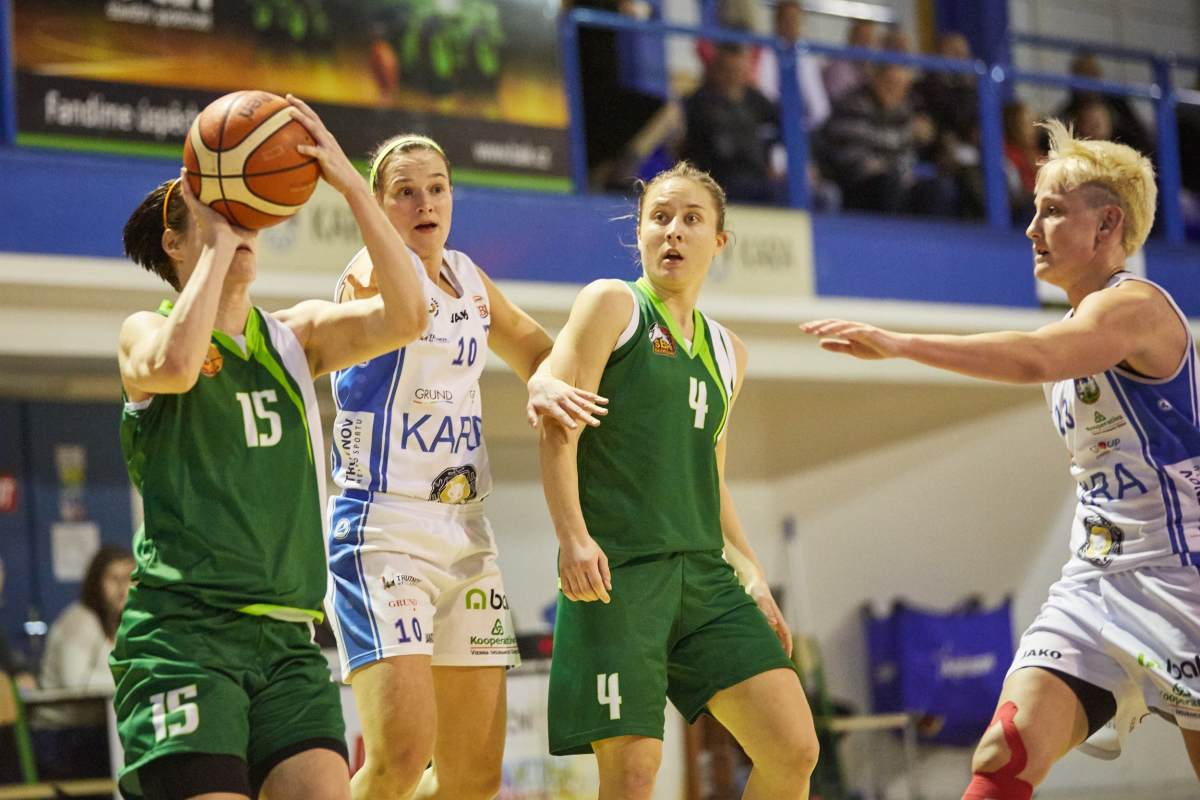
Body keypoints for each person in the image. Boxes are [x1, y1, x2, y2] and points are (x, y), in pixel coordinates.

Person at [801, 120, 1200, 796]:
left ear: (1108, 224)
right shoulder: (1074, 328)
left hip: (1181, 578)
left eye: (1053, 211)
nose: (1031, 229)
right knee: (1003, 752)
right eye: (1034, 210)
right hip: (1098, 582)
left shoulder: (1134, 307)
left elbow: (1035, 357)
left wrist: (901, 344)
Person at [112, 95, 432, 800]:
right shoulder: (145, 331)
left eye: (244, 218)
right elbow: (175, 366)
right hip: (184, 638)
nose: (238, 228)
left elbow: (410, 315)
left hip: (289, 641)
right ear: (176, 244)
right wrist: (218, 243)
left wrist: (351, 184)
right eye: (214, 217)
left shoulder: (294, 338)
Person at [325, 133, 605, 800]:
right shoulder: (368, 273)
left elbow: (539, 351)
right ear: (377, 206)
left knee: (472, 778)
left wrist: (544, 381)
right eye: (405, 192)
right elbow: (399, 301)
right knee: (399, 759)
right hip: (384, 531)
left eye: (437, 188)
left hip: (466, 533)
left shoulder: (469, 277)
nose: (425, 203)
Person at [538, 162, 819, 799]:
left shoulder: (729, 352)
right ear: (638, 232)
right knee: (634, 774)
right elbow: (558, 430)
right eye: (659, 217)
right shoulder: (612, 304)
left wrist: (753, 574)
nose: (673, 231)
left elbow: (711, 479)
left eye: (692, 219)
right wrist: (572, 538)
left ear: (718, 242)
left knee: (794, 748)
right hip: (618, 572)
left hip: (704, 576)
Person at [39, 546, 134, 725]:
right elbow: (76, 683)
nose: (122, 587)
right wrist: (134, 678)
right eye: (113, 578)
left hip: (98, 723)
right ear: (96, 584)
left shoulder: (126, 623)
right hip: (59, 729)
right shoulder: (80, 619)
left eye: (129, 578)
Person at [682, 44, 782, 204]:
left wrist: (777, 161)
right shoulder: (698, 103)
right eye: (727, 71)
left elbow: (784, 129)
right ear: (716, 70)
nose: (732, 77)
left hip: (758, 178)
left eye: (738, 71)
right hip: (720, 180)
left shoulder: (756, 100)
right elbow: (688, 148)